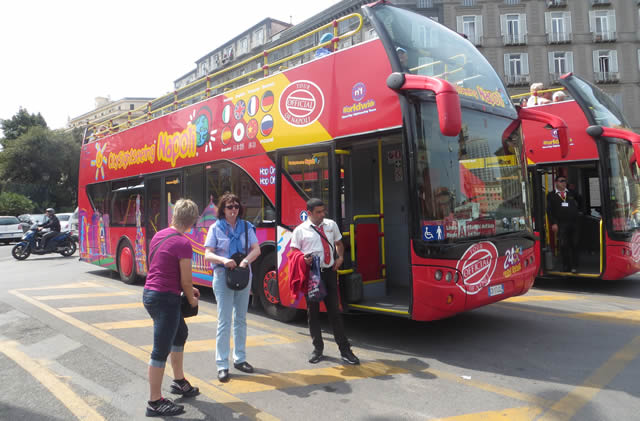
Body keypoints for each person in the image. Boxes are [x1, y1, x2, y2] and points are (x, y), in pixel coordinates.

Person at [142, 199, 201, 417]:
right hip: (164, 298)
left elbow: (162, 267)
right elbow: (186, 281)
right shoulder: (183, 243)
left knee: (180, 333)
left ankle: (178, 381)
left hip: (152, 293)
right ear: (192, 221)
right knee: (160, 350)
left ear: (174, 215)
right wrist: (191, 298)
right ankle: (154, 402)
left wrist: (187, 289)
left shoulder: (160, 234)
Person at [290, 198, 360, 365]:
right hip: (312, 275)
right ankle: (317, 349)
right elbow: (292, 252)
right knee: (313, 313)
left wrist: (340, 257)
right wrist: (303, 259)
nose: (322, 214)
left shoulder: (331, 225)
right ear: (309, 213)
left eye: (323, 211)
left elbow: (338, 243)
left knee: (335, 312)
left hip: (329, 273)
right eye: (318, 212)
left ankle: (345, 350)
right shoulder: (300, 230)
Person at [204, 193, 261, 383]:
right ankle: (222, 364)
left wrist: (245, 261)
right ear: (223, 209)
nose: (233, 210)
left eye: (236, 206)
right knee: (224, 321)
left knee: (241, 319)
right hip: (222, 277)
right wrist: (223, 260)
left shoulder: (246, 226)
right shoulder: (215, 228)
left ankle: (240, 359)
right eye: (229, 207)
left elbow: (256, 249)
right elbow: (208, 254)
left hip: (243, 276)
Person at [546, 175, 580, 273]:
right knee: (564, 245)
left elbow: (580, 201)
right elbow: (550, 211)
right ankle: (566, 266)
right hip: (561, 224)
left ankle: (574, 266)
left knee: (574, 244)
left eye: (565, 181)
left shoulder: (572, 193)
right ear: (556, 182)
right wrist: (553, 223)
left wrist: (579, 212)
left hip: (573, 223)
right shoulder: (551, 195)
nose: (564, 183)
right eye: (561, 181)